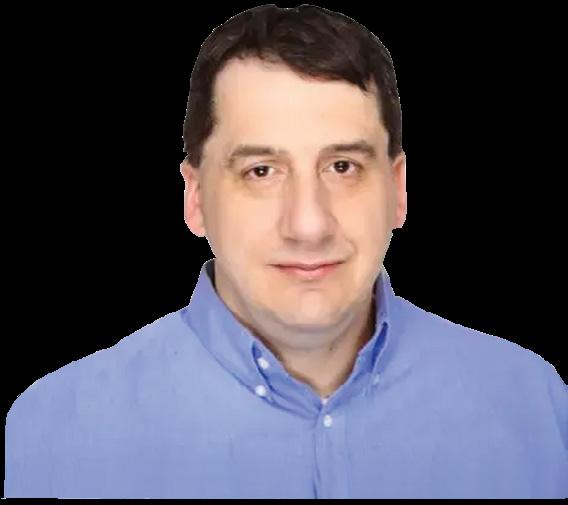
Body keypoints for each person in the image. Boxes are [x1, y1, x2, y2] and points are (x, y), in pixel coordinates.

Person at [4, 4, 567, 499]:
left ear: (398, 190)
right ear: (195, 199)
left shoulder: (537, 406)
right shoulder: (49, 434)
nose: (309, 224)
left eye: (342, 166)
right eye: (261, 171)